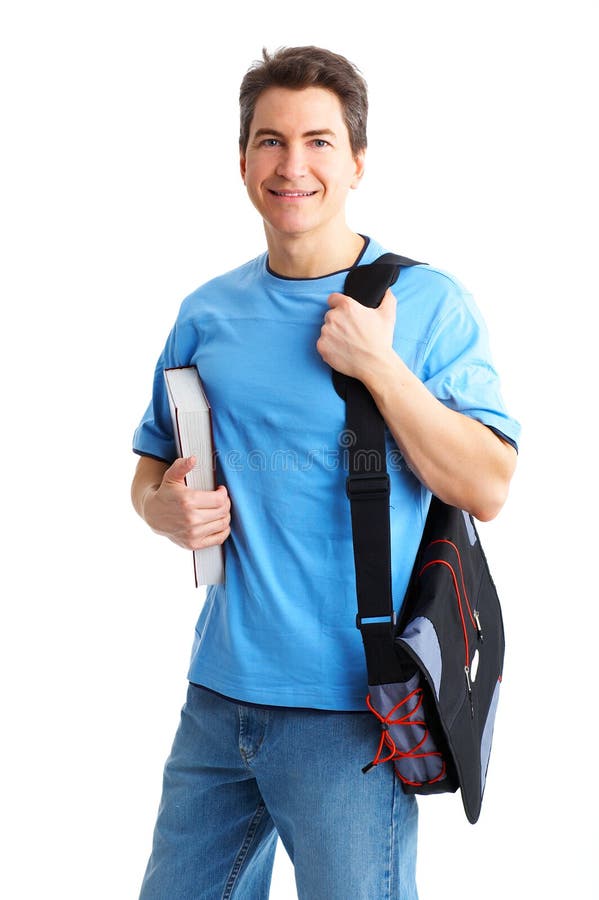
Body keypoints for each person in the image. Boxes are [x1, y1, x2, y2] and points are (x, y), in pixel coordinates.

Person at [131, 45, 520, 900]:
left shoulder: (423, 305)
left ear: (355, 163)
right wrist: (163, 509)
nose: (291, 165)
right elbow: (152, 463)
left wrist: (380, 369)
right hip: (217, 696)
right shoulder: (207, 311)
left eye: (316, 142)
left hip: (354, 711)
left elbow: (487, 484)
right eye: (269, 141)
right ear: (242, 162)